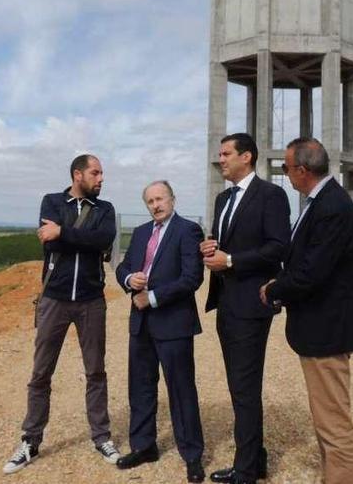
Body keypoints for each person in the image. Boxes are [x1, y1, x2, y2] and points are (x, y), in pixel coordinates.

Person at [260, 138, 353, 484]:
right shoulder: (321, 201)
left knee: (333, 420)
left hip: (329, 329)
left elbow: (312, 271)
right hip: (320, 326)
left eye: (286, 167)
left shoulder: (331, 206)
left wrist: (274, 288)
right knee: (325, 415)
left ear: (302, 170)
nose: (286, 174)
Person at [3, 153, 122, 474]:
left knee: (96, 371)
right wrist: (76, 239)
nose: (101, 179)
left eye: (102, 174)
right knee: (41, 373)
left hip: (90, 300)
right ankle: (30, 441)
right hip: (54, 299)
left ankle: (101, 437)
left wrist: (65, 233)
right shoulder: (52, 201)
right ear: (77, 174)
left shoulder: (106, 209)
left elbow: (103, 238)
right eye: (95, 173)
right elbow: (49, 244)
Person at [200, 133, 291, 484]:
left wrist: (232, 260)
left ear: (247, 157)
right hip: (225, 303)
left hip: (252, 306)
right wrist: (209, 247)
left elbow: (278, 248)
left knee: (244, 387)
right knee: (241, 385)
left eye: (226, 154)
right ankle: (257, 458)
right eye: (219, 154)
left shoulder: (271, 195)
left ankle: (246, 470)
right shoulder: (223, 198)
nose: (220, 159)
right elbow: (221, 242)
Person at [114, 180, 206, 483]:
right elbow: (122, 266)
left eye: (160, 199)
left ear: (172, 199)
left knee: (181, 391)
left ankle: (192, 455)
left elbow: (192, 278)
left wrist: (151, 297)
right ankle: (143, 446)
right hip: (140, 324)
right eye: (150, 201)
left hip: (173, 322)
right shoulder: (141, 233)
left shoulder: (187, 231)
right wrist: (130, 280)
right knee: (140, 388)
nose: (156, 205)